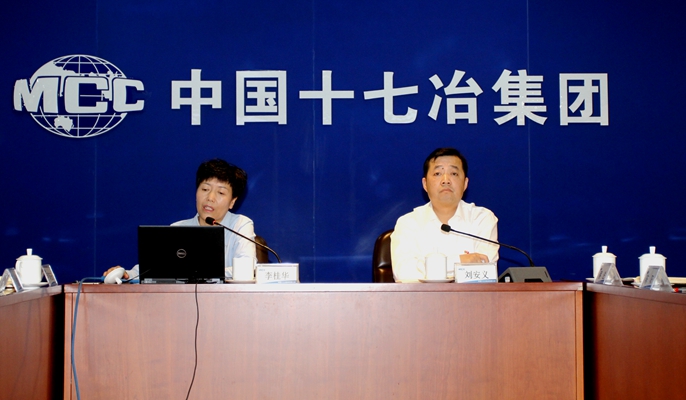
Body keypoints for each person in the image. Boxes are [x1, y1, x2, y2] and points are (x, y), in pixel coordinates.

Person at [104, 158, 256, 281]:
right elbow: (153, 267)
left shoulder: (240, 225)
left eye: (220, 193)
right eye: (205, 189)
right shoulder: (178, 228)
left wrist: (195, 272)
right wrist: (126, 274)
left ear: (232, 201)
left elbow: (247, 268)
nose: (210, 198)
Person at [390, 147, 499, 282]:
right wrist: (461, 260)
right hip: (422, 297)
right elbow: (404, 273)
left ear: (465, 183)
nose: (446, 180)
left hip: (470, 296)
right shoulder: (408, 223)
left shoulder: (482, 219)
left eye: (454, 173)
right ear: (425, 184)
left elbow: (485, 272)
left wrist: (430, 267)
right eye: (437, 173)